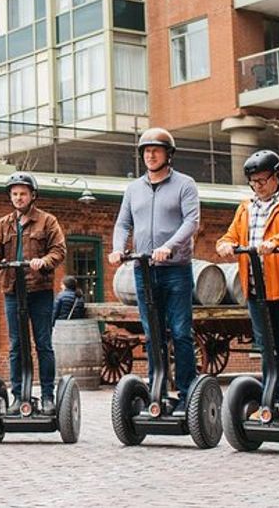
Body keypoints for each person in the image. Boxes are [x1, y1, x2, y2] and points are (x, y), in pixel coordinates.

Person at [216, 150, 279, 422]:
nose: (258, 185)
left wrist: (278, 241)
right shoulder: (245, 208)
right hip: (256, 291)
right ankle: (270, 404)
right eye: (254, 181)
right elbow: (230, 235)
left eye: (263, 179)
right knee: (268, 349)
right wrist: (225, 245)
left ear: (277, 176)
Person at [108, 128, 199, 412]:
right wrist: (118, 248)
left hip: (175, 269)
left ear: (168, 155)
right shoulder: (134, 189)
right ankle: (156, 392)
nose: (150, 155)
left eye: (156, 150)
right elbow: (123, 223)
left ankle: (186, 395)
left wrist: (169, 246)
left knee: (181, 332)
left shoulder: (185, 184)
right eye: (146, 151)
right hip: (143, 270)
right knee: (153, 334)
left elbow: (191, 222)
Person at [0, 172, 66, 415]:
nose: (18, 198)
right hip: (12, 289)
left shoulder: (47, 221)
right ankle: (18, 396)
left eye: (23, 193)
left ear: (32, 196)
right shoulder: (3, 224)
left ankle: (48, 396)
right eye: (15, 194)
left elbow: (59, 250)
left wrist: (44, 261)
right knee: (16, 345)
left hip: (39, 290)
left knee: (43, 344)